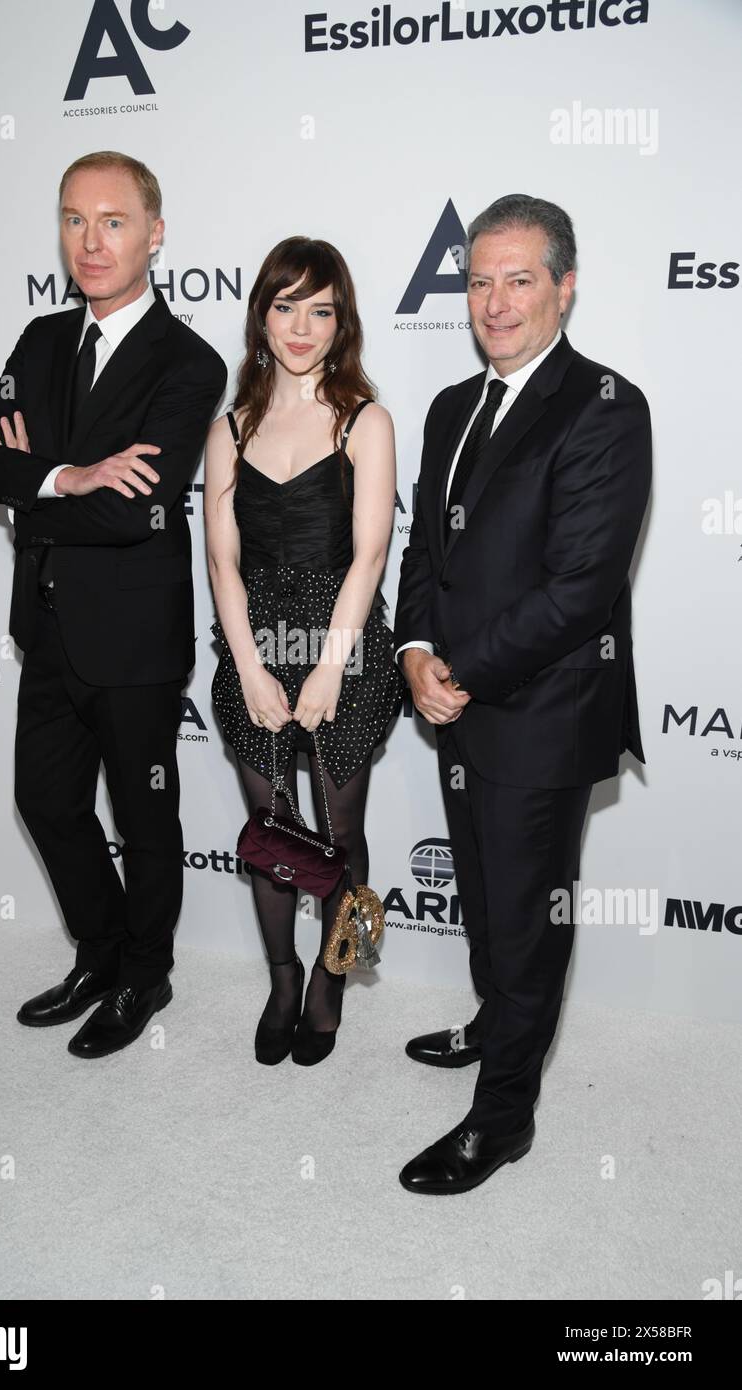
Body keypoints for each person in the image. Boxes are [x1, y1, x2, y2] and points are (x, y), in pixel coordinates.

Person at [394, 194, 651, 1193]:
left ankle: (500, 1119)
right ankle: (493, 1025)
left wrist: (452, 673)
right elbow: (425, 551)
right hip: (454, 702)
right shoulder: (451, 407)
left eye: (518, 280)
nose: (493, 303)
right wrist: (414, 647)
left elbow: (577, 589)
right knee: (482, 893)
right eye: (478, 281)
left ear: (564, 286)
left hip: (540, 714)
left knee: (524, 914)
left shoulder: (605, 408)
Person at [0, 151, 226, 1058]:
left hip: (137, 641)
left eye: (113, 221)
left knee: (144, 820)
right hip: (49, 628)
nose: (91, 241)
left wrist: (34, 484)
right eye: (74, 219)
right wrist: (67, 474)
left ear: (156, 232)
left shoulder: (188, 363)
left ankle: (148, 975)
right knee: (46, 802)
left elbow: (136, 510)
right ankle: (101, 953)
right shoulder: (39, 341)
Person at [204, 236, 405, 1066]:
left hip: (345, 648)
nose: (301, 326)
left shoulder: (366, 419)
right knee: (271, 828)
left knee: (340, 833)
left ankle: (332, 979)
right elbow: (220, 559)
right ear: (263, 315)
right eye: (286, 305)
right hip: (255, 646)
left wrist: (331, 663)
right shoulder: (231, 426)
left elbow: (370, 555)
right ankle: (283, 979)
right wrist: (249, 665)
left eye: (320, 310)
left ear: (341, 323)